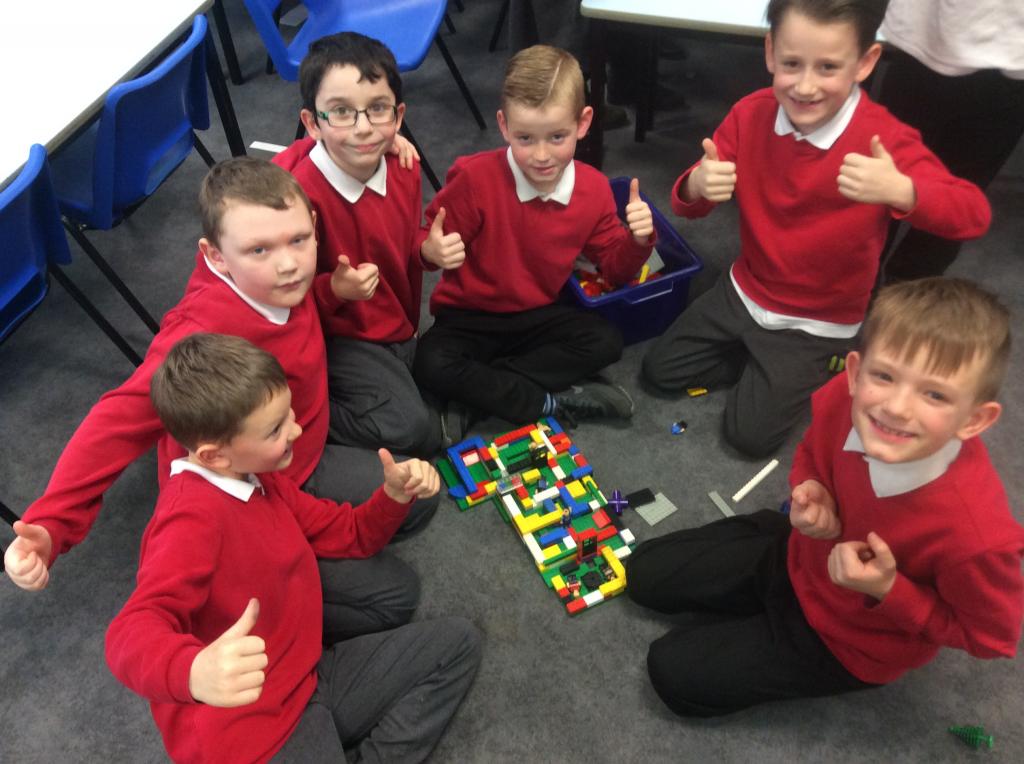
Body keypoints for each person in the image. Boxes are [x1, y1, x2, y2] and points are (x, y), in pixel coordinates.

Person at [5, 159, 430, 644]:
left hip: (297, 431)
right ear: (216, 256)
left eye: (298, 240)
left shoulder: (275, 277)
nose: (288, 264)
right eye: (259, 250)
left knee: (414, 472)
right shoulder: (202, 330)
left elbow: (319, 143)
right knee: (399, 558)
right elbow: (115, 423)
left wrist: (330, 291)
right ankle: (261, 580)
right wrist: (51, 524)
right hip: (264, 476)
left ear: (314, 226)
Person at [627, 277, 1024, 717]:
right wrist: (810, 487)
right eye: (884, 376)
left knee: (672, 673)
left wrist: (889, 590)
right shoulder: (845, 398)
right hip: (797, 556)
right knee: (642, 573)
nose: (896, 408)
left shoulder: (978, 541)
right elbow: (812, 453)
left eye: (934, 394)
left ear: (974, 421)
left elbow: (991, 639)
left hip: (847, 641)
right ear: (854, 373)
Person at [641, 0, 992, 458]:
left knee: (749, 438)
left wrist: (903, 190)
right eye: (792, 63)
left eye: (828, 67)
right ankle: (760, 365)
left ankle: (812, 366)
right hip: (745, 288)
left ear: (864, 62)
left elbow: (973, 214)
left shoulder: (882, 138)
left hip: (819, 321)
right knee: (659, 373)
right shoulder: (750, 113)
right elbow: (688, 202)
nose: (805, 87)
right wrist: (697, 184)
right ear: (770, 52)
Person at [106, 333, 479, 763]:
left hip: (307, 675)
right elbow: (129, 633)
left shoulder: (256, 475)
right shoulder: (187, 520)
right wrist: (192, 671)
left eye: (289, 414)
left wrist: (392, 497)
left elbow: (348, 532)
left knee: (459, 644)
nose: (297, 430)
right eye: (275, 429)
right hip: (256, 731)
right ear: (213, 456)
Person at [412, 44, 656, 439]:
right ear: (504, 126)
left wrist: (638, 241)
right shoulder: (474, 179)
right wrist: (429, 250)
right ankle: (545, 401)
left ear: (583, 123)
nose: (542, 156)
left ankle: (480, 393)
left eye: (557, 137)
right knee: (429, 363)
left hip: (538, 313)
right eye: (525, 138)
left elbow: (614, 269)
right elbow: (425, 238)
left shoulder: (593, 189)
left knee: (606, 341)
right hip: (469, 316)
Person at [273, 32, 442, 457]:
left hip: (396, 323)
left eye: (377, 109)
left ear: (398, 116)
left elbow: (403, 240)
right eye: (342, 112)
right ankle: (302, 412)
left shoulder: (403, 166)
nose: (364, 128)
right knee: (415, 430)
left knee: (443, 378)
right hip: (338, 335)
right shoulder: (297, 198)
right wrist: (334, 289)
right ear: (313, 123)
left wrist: (426, 250)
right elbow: (280, 297)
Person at [877, 0, 1024, 282]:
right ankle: (861, 283)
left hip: (1014, 51)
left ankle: (913, 292)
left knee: (960, 195)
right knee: (878, 177)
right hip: (927, 34)